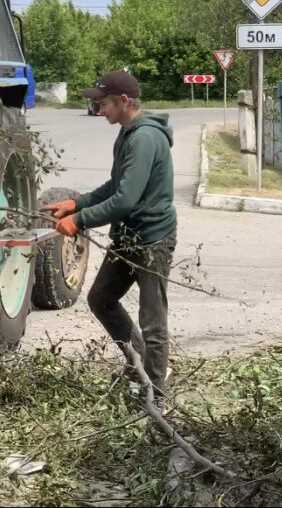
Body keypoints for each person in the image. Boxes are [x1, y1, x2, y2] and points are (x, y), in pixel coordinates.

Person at [44, 70, 178, 397]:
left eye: (103, 103)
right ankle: (139, 365)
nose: (99, 109)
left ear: (123, 101)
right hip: (128, 236)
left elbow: (125, 200)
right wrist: (76, 203)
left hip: (151, 239)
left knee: (152, 319)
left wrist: (79, 221)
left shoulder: (145, 138)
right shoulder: (127, 133)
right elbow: (114, 186)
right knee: (101, 299)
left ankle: (154, 394)